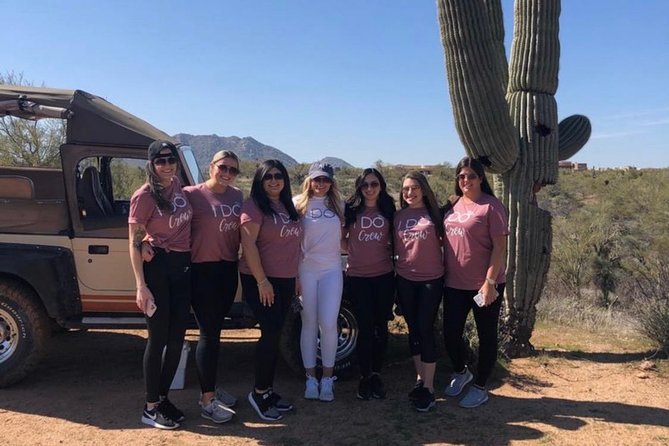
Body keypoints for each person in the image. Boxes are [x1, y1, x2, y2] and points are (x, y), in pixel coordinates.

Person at [129, 140, 193, 430]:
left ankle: (164, 398)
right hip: (157, 271)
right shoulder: (144, 196)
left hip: (182, 269)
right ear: (151, 164)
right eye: (160, 160)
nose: (167, 165)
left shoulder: (177, 185)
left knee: (178, 338)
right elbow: (133, 241)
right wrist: (141, 285)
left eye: (171, 160)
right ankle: (150, 406)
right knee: (158, 339)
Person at [442, 156, 508, 408]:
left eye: (470, 175)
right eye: (461, 176)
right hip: (454, 283)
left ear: (481, 178)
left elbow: (500, 246)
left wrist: (490, 281)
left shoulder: (491, 206)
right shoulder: (453, 205)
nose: (465, 180)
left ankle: (480, 386)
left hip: (484, 285)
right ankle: (461, 372)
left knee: (486, 336)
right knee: (450, 334)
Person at [239, 159, 302, 421]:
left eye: (279, 176)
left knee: (276, 334)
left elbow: (292, 244)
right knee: (269, 334)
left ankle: (268, 391)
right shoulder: (254, 207)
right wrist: (263, 281)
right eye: (268, 177)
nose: (274, 181)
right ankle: (259, 392)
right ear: (260, 181)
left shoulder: (287, 206)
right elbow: (248, 245)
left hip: (286, 279)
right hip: (261, 280)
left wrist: (296, 276)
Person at [183, 150, 242, 423]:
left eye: (233, 169)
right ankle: (206, 400)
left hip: (227, 270)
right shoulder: (191, 194)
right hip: (201, 270)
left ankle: (211, 386)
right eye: (223, 167)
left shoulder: (237, 196)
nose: (227, 173)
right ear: (211, 167)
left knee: (216, 331)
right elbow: (165, 219)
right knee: (207, 333)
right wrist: (145, 239)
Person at [342, 168, 396, 400]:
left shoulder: (388, 210)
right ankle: (364, 377)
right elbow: (341, 238)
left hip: (383, 276)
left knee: (380, 327)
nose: (370, 189)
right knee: (364, 327)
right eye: (365, 185)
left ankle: (376, 374)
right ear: (359, 188)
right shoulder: (351, 210)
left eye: (374, 184)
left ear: (381, 186)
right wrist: (356, 251)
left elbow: (396, 239)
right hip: (358, 277)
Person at [393, 171, 444, 412]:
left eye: (414, 188)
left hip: (431, 280)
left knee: (425, 329)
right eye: (405, 190)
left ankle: (430, 389)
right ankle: (420, 379)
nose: (410, 193)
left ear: (423, 189)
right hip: (405, 279)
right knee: (413, 330)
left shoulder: (436, 216)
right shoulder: (398, 216)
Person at [294, 162, 344, 402]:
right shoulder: (296, 204)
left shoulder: (339, 205)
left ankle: (327, 379)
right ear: (309, 181)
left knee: (328, 322)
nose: (321, 184)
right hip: (306, 270)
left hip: (332, 270)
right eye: (317, 180)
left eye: (325, 180)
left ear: (331, 182)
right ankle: (310, 378)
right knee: (309, 322)